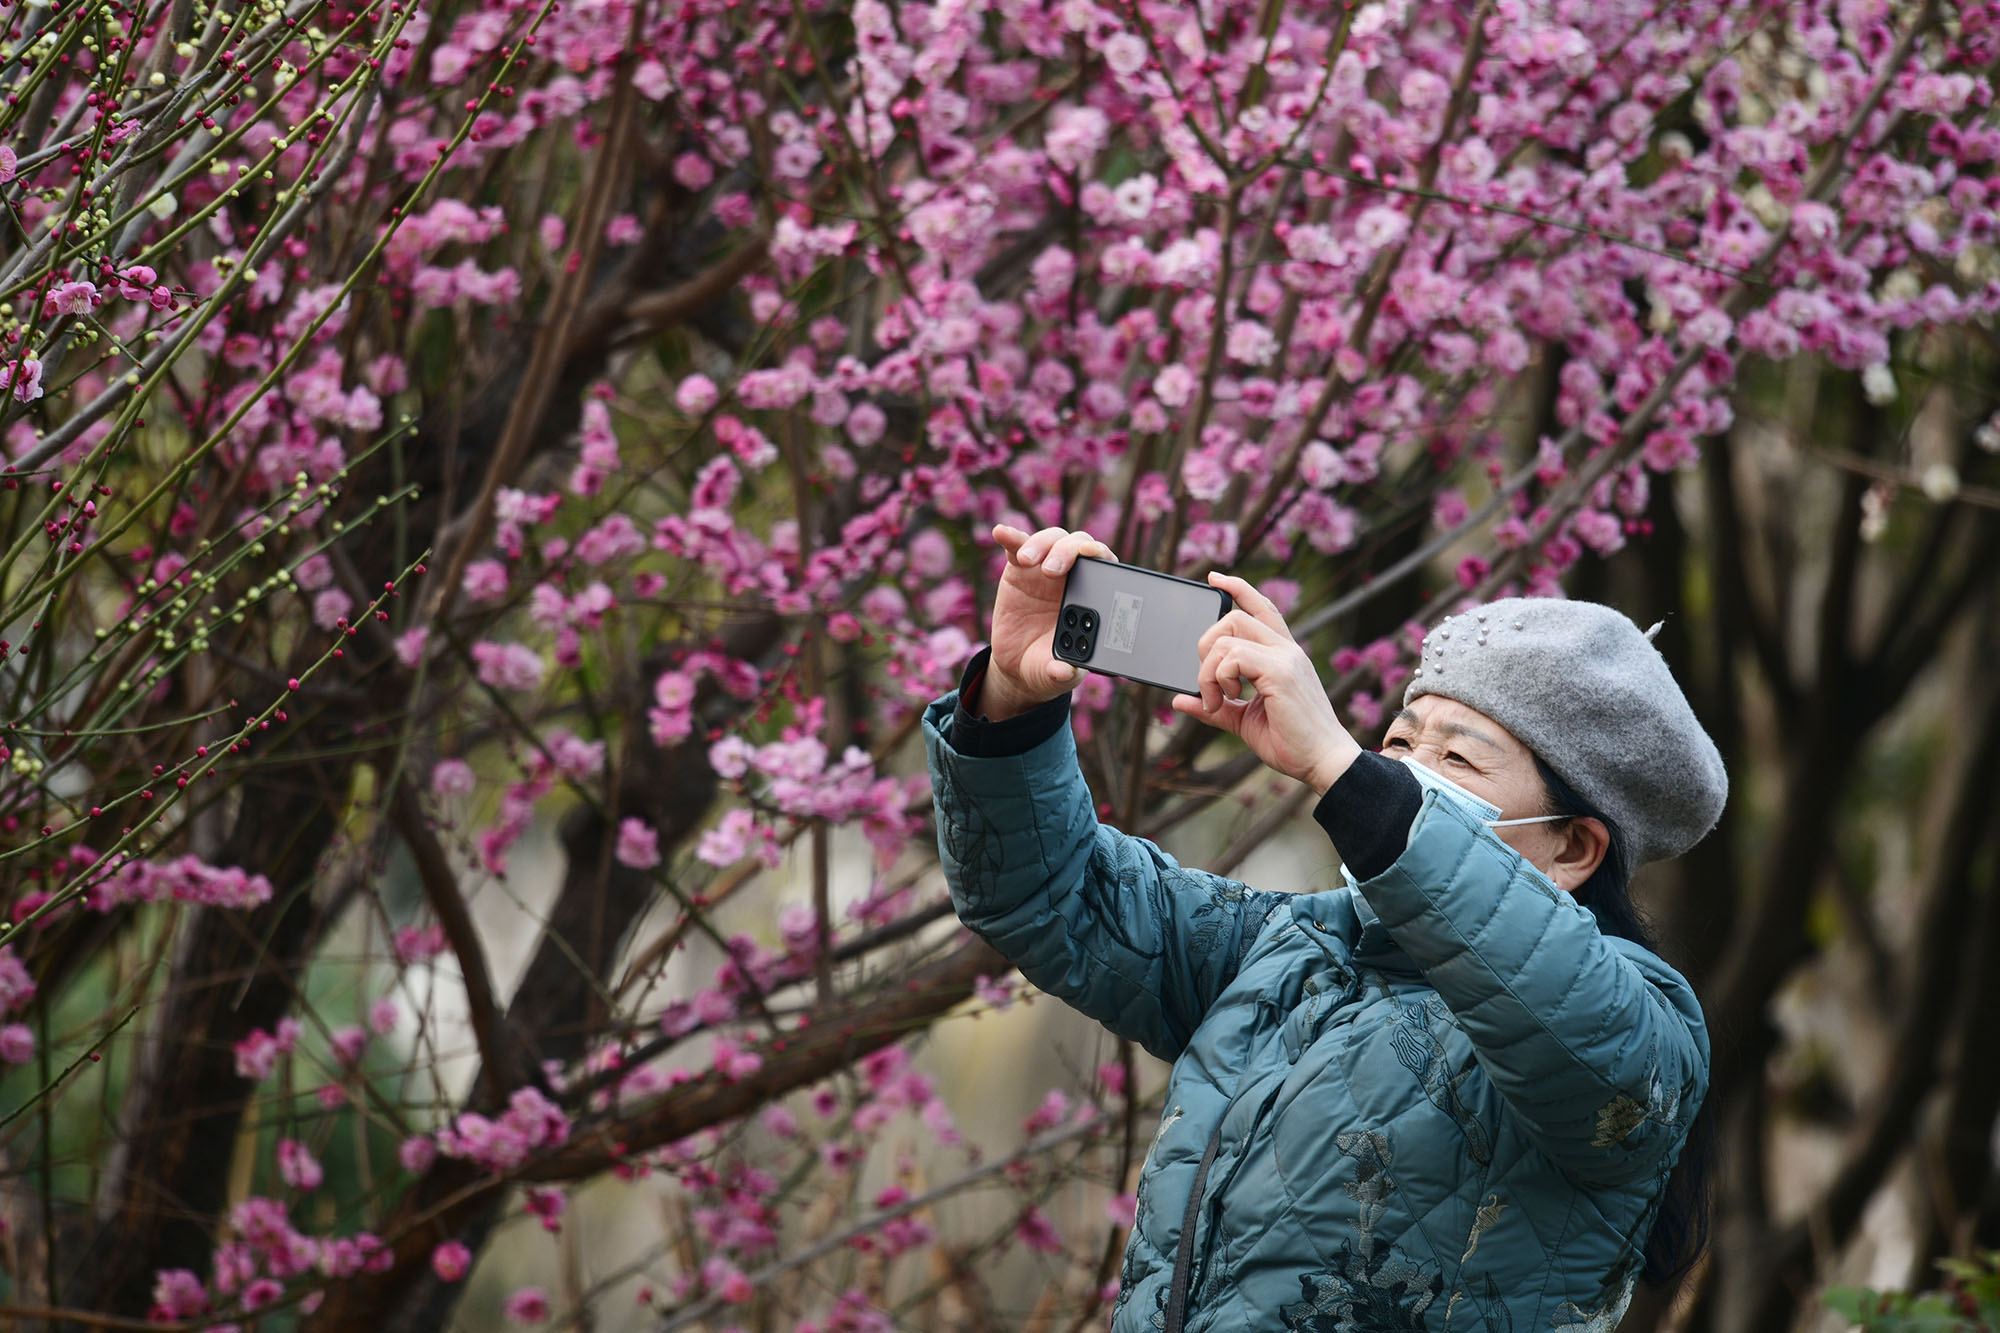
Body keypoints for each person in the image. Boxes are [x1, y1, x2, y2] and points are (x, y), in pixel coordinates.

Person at [922, 525, 1726, 1332]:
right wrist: (1012, 701)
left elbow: (1564, 1009)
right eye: (1398, 741)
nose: (1402, 771)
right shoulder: (1292, 949)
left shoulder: (1645, 1029)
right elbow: (1051, 893)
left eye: (1459, 759)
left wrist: (1340, 767)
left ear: (1574, 848)